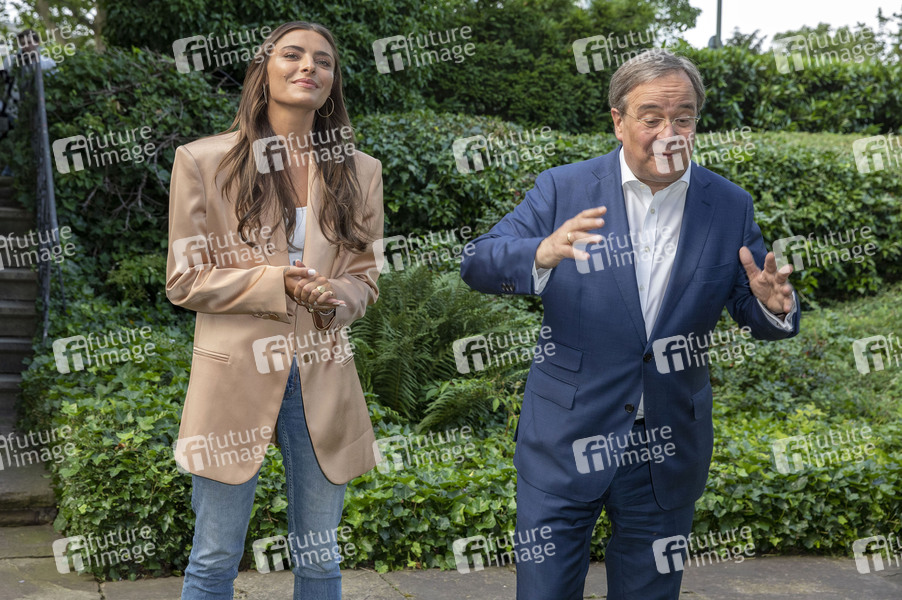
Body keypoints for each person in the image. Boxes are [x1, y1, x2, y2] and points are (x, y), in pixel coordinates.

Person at [460, 50, 799, 600]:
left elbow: (751, 298)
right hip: (564, 439)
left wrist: (772, 307)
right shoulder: (563, 189)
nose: (670, 133)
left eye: (683, 118)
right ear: (618, 121)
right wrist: (540, 253)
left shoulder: (728, 205)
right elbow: (478, 260)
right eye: (652, 117)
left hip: (667, 446)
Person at [166, 21, 383, 600]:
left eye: (323, 61)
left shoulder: (361, 171)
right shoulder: (202, 161)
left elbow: (365, 277)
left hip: (323, 377)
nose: (309, 66)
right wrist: (275, 284)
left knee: (320, 558)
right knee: (213, 558)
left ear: (332, 85)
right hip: (232, 380)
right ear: (263, 71)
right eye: (292, 54)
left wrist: (335, 299)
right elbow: (184, 279)